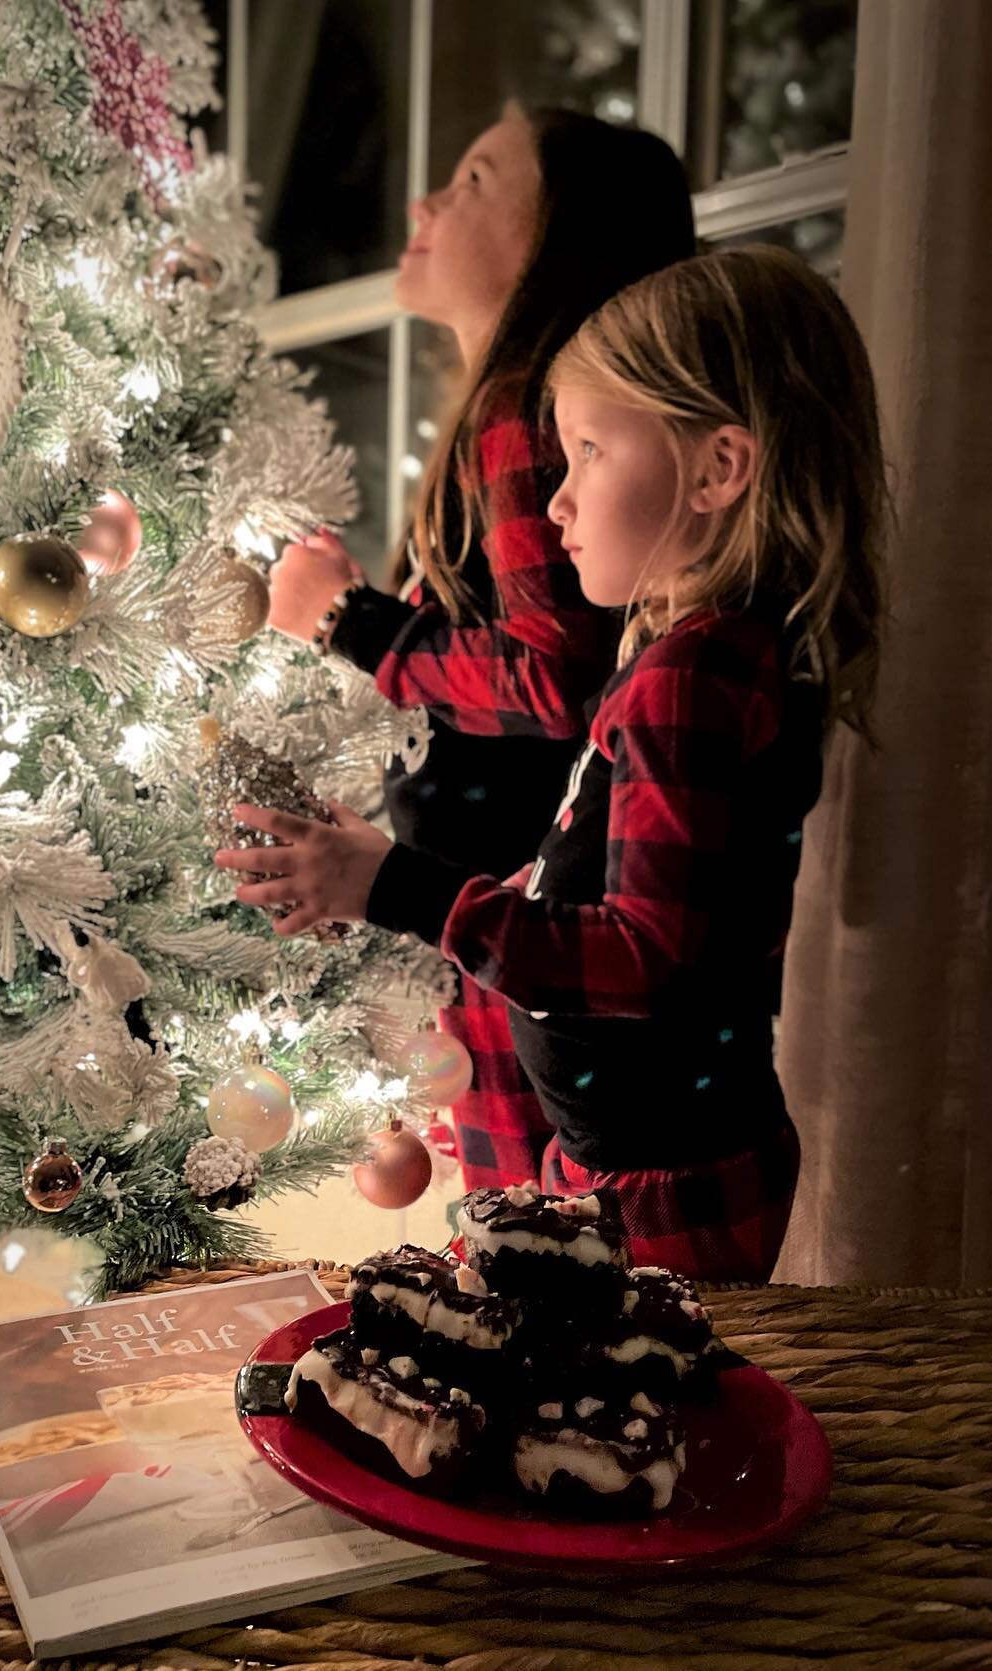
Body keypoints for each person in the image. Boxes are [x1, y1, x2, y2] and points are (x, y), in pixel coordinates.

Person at [216, 246, 888, 1282]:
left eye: (587, 454)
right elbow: (599, 875)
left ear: (717, 470)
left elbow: (643, 963)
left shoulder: (695, 678)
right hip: (619, 1165)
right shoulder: (689, 654)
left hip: (660, 1193)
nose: (558, 503)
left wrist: (396, 887)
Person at [266, 105, 695, 1190]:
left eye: (470, 182)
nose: (424, 202)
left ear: (552, 239)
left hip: (514, 925)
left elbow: (554, 676)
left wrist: (346, 620)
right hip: (489, 917)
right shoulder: (498, 415)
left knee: (524, 1256)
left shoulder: (516, 414)